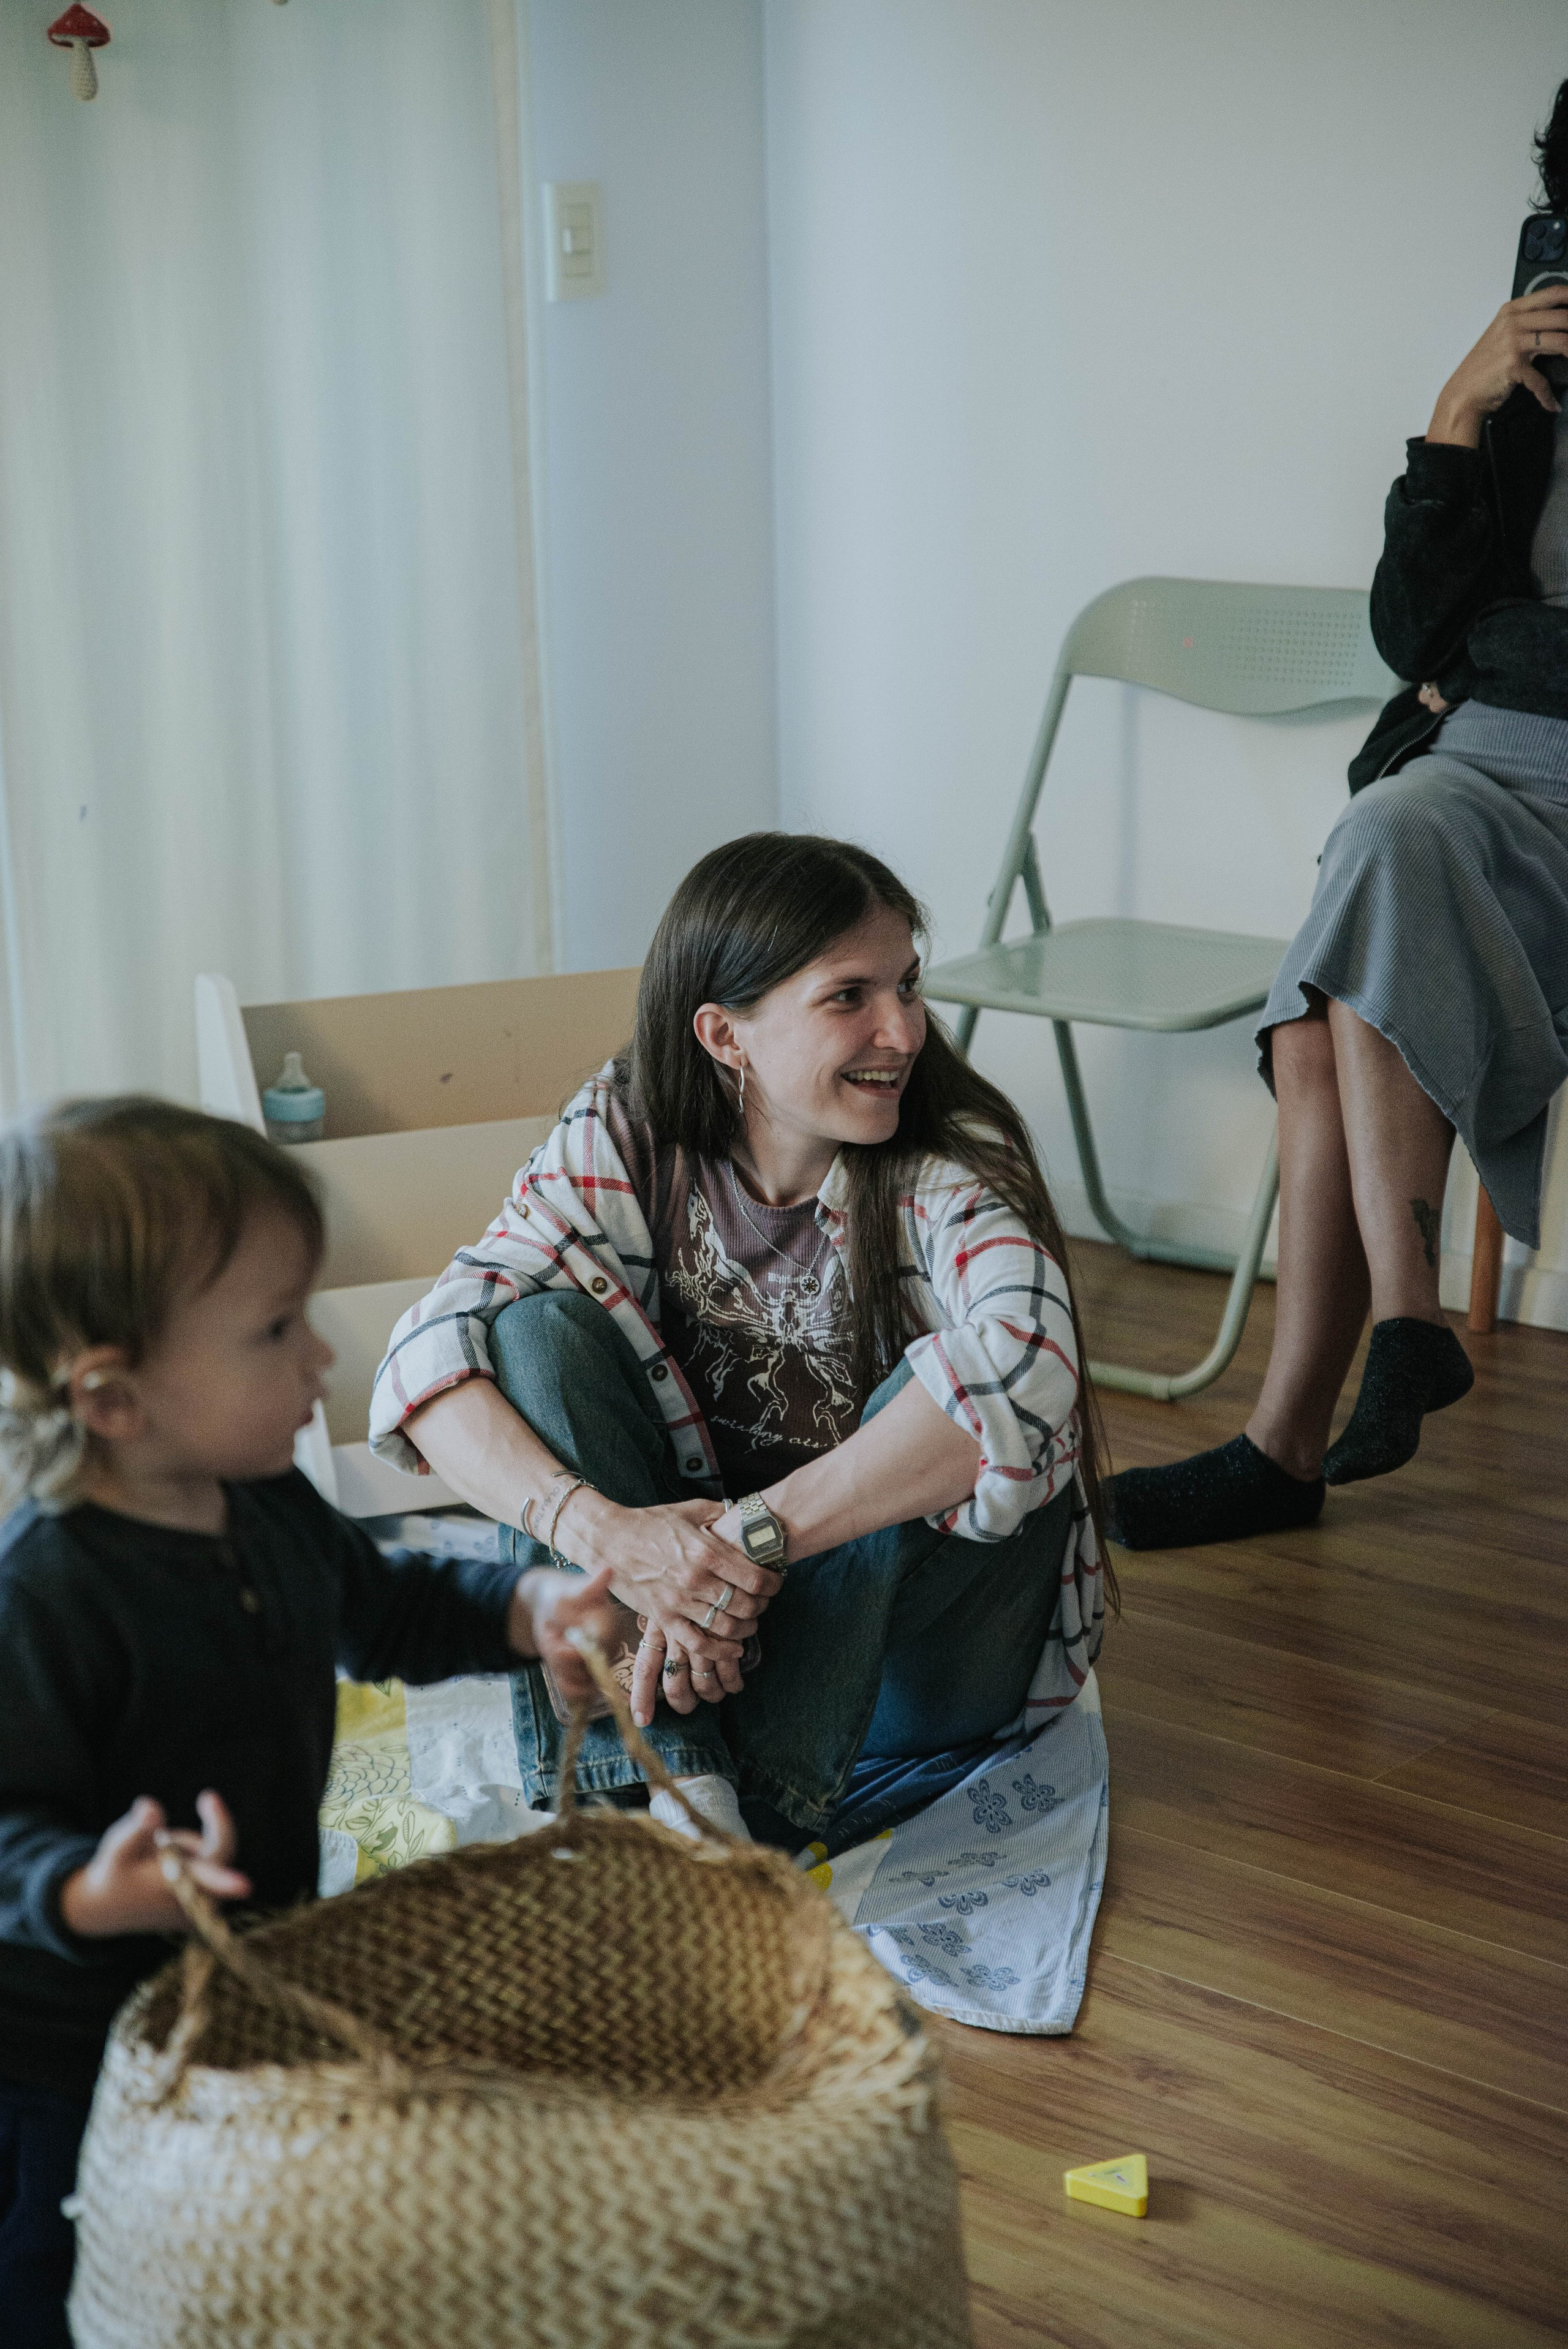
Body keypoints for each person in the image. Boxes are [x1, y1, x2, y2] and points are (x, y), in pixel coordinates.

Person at [0, 1098, 619, 2348]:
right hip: (61, 2042)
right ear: (114, 1400)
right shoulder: (45, 1590)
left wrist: (527, 1606)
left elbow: (386, 1609)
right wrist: (78, 1890)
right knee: (60, 2267)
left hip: (247, 1968)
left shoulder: (266, 1501)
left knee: (226, 2240)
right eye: (275, 1329)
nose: (320, 1356)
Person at [370, 832, 1109, 1849]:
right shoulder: (627, 1134)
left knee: (935, 1393)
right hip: (712, 1649)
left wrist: (722, 1553)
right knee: (529, 1331)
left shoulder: (949, 1163)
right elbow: (428, 1353)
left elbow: (1028, 1371)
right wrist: (614, 1541)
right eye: (849, 996)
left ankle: (706, 1798)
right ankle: (692, 1802)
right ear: (725, 1036)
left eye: (906, 985)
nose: (904, 1030)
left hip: (912, 1667)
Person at [1106, 83, 1568, 1551]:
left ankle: (1289, 1437)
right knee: (1380, 841)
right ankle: (1406, 1320)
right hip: (1466, 773)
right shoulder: (1533, 388)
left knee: (1315, 1013)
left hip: (1522, 780)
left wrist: (1494, 659)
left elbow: (1470, 649)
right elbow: (1408, 635)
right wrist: (1454, 414)